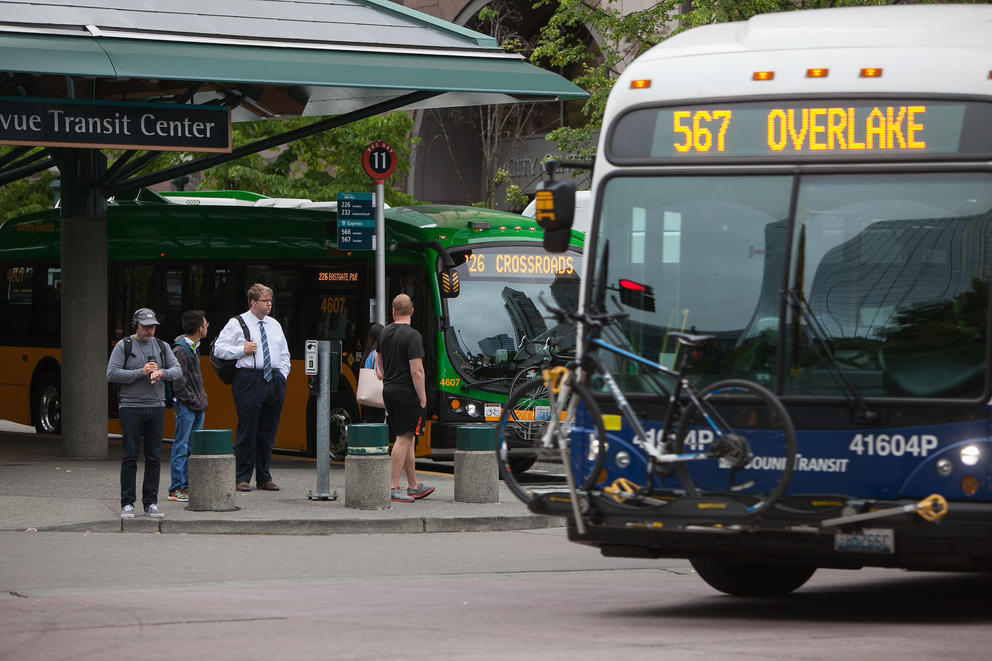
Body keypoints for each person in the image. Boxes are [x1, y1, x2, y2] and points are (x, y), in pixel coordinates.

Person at [212, 284, 290, 492]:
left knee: (268, 429)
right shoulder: (237, 323)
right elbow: (219, 348)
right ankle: (242, 477)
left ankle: (264, 477)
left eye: (270, 301)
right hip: (249, 378)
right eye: (265, 301)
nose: (269, 304)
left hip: (273, 379)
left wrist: (282, 375)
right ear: (253, 302)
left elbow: (284, 353)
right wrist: (241, 350)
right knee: (248, 428)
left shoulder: (274, 325)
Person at [107, 307, 181, 519]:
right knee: (130, 455)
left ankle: (151, 503)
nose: (150, 331)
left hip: (156, 407)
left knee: (154, 457)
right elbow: (111, 374)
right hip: (130, 407)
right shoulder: (124, 345)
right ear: (136, 325)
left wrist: (161, 373)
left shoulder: (161, 345)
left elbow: (177, 370)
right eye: (145, 327)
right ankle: (127, 503)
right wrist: (141, 372)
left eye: (153, 327)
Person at [375, 294, 434, 503]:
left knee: (407, 435)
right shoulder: (413, 336)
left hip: (389, 390)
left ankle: (413, 485)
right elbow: (417, 371)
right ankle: (392, 486)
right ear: (412, 311)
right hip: (407, 392)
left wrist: (387, 377)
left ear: (393, 311)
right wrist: (423, 398)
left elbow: (378, 367)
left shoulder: (383, 333)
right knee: (404, 438)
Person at [167, 310, 210, 503]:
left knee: (193, 447)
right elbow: (178, 383)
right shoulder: (181, 350)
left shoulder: (193, 347)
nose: (207, 327)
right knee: (181, 445)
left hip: (196, 405)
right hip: (187, 406)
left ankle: (187, 485)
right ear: (199, 328)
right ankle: (177, 488)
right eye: (206, 324)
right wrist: (194, 400)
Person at [361, 322, 385, 424]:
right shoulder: (377, 354)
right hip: (376, 397)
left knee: (369, 424)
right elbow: (380, 374)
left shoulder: (368, 354)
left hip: (368, 397)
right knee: (377, 426)